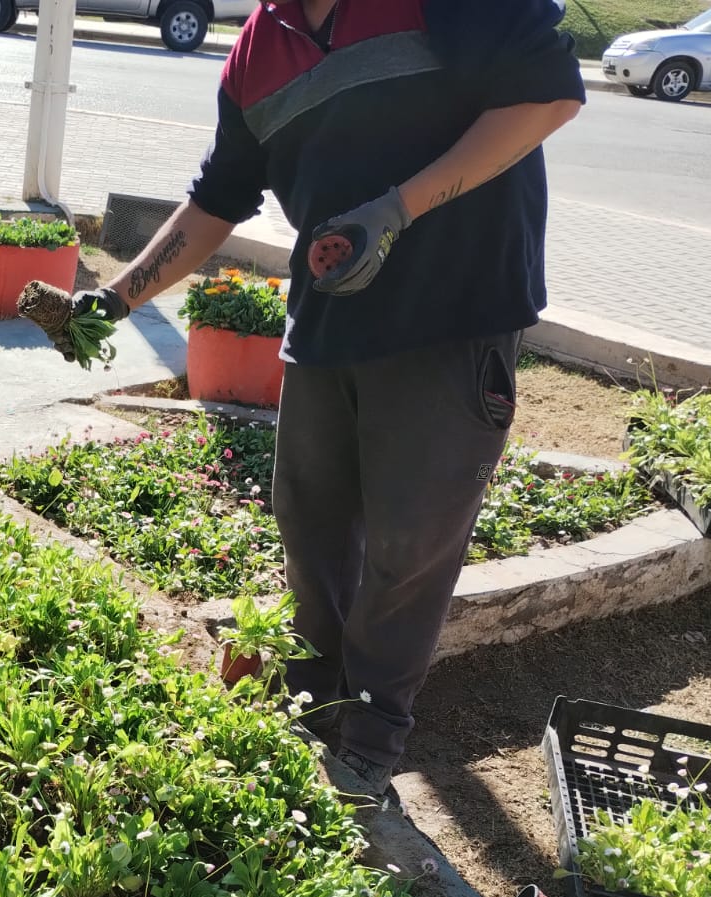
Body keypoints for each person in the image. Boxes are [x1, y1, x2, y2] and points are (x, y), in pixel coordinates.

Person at [35, 0, 583, 801]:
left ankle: (371, 734)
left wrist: (396, 210)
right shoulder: (256, 50)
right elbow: (219, 198)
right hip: (328, 320)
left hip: (452, 320)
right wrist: (112, 302)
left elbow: (546, 97)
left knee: (408, 548)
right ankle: (310, 695)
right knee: (309, 521)